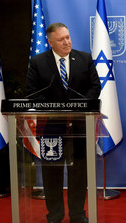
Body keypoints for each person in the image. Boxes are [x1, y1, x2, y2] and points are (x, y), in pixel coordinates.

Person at [26, 23, 101, 223]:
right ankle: (55, 216)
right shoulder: (38, 62)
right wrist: (54, 108)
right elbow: (32, 93)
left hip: (79, 128)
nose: (67, 42)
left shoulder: (84, 58)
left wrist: (77, 107)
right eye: (61, 39)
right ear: (50, 42)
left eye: (68, 37)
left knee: (79, 175)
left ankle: (78, 215)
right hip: (51, 128)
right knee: (52, 175)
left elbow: (95, 88)